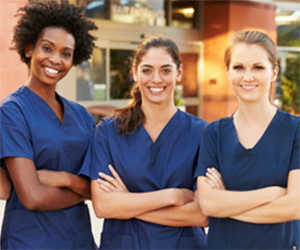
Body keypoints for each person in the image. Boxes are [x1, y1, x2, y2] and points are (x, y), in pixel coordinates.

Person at [79, 34, 208, 249]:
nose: (156, 79)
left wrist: (128, 202)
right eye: (147, 70)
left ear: (179, 73)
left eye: (165, 70)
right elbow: (103, 206)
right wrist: (173, 195)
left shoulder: (202, 133)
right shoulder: (109, 132)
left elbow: (202, 214)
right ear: (135, 73)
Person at [0, 1, 98, 249]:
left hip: (80, 241)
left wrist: (63, 178)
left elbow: (98, 188)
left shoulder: (82, 116)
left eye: (66, 53)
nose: (56, 60)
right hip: (30, 241)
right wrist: (82, 192)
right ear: (29, 48)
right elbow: (32, 197)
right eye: (47, 48)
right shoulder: (12, 111)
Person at [195, 30, 300, 249]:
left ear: (274, 72)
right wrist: (271, 194)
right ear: (228, 73)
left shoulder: (295, 130)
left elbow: (294, 206)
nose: (248, 77)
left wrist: (227, 204)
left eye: (258, 67)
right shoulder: (213, 133)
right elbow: (207, 204)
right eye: (239, 67)